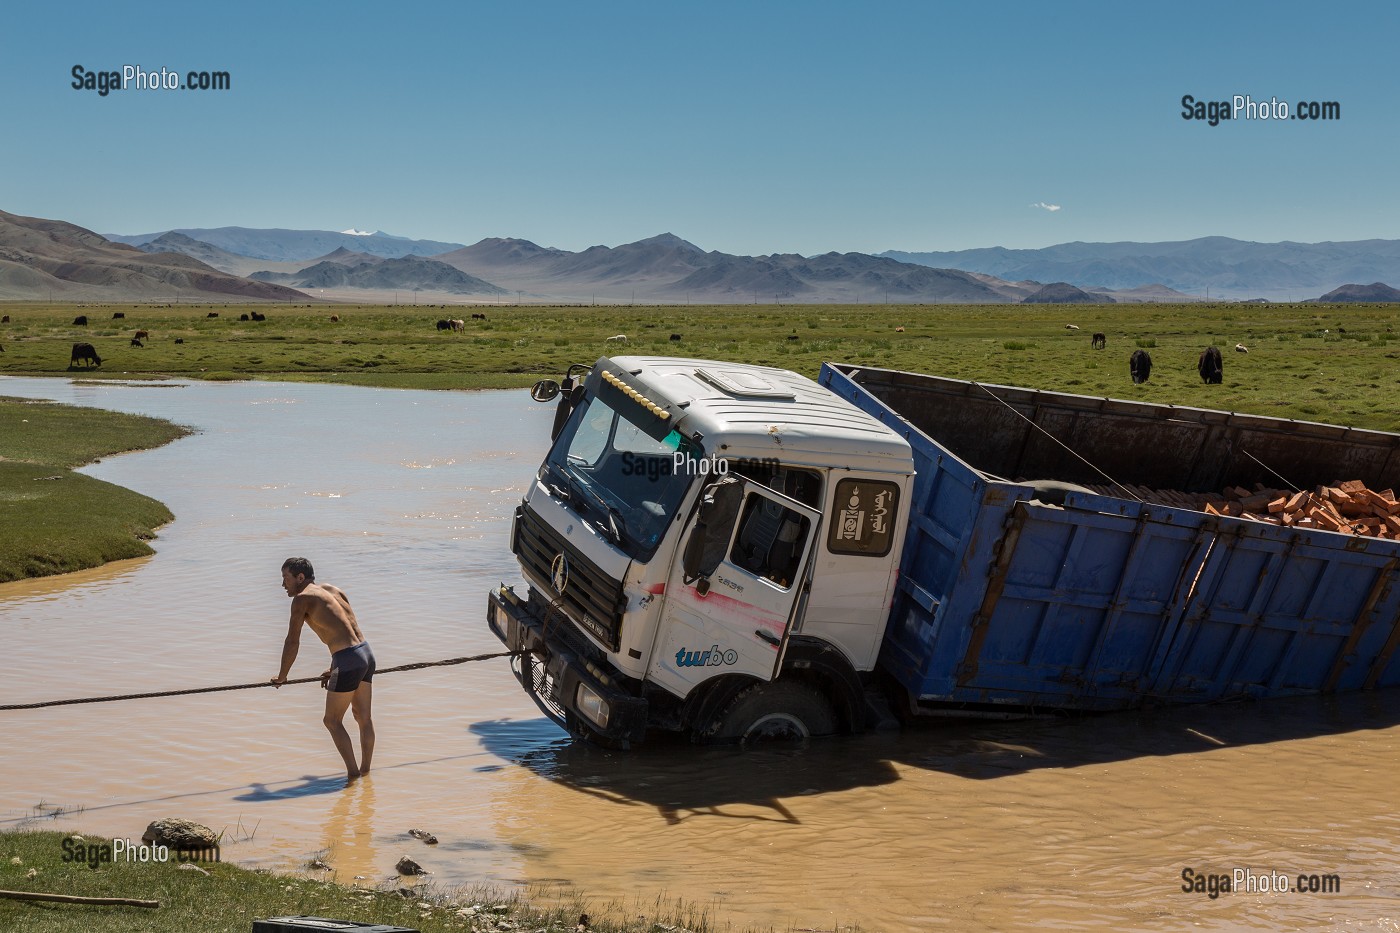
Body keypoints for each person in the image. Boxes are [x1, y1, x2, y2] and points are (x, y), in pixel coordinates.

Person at [271, 557, 376, 780]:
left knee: (332, 721)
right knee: (364, 718)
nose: (283, 584)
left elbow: (292, 641)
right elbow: (346, 629)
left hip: (347, 660)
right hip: (365, 653)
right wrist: (335, 667)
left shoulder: (301, 599)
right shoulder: (333, 590)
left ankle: (353, 776)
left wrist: (282, 676)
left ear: (300, 577)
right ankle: (366, 774)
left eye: (285, 578)